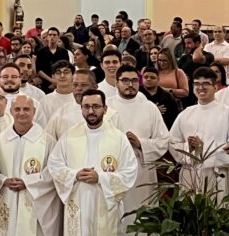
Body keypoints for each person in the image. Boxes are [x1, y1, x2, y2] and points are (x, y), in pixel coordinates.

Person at [49, 89, 138, 235]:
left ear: (105, 109)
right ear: (81, 109)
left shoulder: (118, 138)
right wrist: (75, 174)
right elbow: (54, 164)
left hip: (105, 200)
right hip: (78, 199)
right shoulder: (69, 136)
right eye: (86, 107)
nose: (91, 111)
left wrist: (100, 178)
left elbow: (130, 171)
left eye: (96, 106)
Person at [106, 64, 170, 231]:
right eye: (125, 80)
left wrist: (141, 143)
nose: (130, 84)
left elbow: (164, 140)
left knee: (142, 217)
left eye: (134, 80)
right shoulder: (106, 108)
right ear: (116, 83)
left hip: (142, 172)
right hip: (114, 171)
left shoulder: (149, 107)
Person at [0, 95, 60, 236]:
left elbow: (53, 171)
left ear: (34, 111)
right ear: (10, 111)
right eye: (17, 109)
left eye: (26, 109)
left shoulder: (47, 141)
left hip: (33, 201)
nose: (21, 113)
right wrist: (4, 180)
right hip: (7, 198)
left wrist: (28, 183)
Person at [168, 67, 229, 202]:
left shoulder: (226, 113)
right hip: (190, 174)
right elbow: (172, 142)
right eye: (197, 84)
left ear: (215, 86)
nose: (201, 87)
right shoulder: (186, 114)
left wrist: (203, 148)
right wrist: (189, 149)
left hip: (216, 174)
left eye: (206, 83)